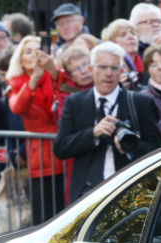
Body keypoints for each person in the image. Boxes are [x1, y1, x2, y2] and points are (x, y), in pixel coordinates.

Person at [54, 42, 161, 204]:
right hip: (86, 193)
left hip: (128, 191)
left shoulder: (140, 103)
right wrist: (93, 134)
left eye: (114, 68)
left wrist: (131, 145)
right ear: (91, 70)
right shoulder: (75, 102)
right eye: (103, 67)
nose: (109, 74)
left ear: (122, 71)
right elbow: (61, 147)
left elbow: (155, 150)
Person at [6, 35, 64, 224]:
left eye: (38, 50)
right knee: (43, 215)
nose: (34, 55)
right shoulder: (16, 83)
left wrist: (51, 70)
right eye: (28, 51)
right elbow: (17, 108)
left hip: (63, 150)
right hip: (39, 155)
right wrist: (35, 78)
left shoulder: (55, 75)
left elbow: (66, 91)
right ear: (20, 59)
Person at [56, 44, 93, 206]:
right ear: (70, 75)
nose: (84, 71)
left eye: (86, 64)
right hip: (79, 154)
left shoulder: (107, 85)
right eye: (77, 69)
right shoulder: (66, 94)